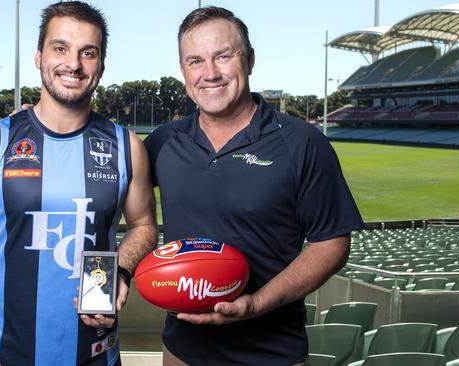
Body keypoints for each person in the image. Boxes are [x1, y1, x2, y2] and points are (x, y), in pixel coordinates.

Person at [144, 6, 364, 366]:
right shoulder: (164, 142)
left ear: (249, 60)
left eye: (223, 56)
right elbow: (116, 201)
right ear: (183, 70)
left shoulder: (302, 143)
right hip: (182, 351)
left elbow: (332, 242)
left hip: (273, 353)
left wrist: (257, 302)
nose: (210, 73)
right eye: (195, 61)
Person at [0, 2, 157, 365]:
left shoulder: (127, 147)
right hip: (6, 357)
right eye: (60, 48)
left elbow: (144, 225)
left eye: (87, 53)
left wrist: (120, 266)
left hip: (98, 356)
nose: (73, 64)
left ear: (101, 65)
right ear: (38, 56)